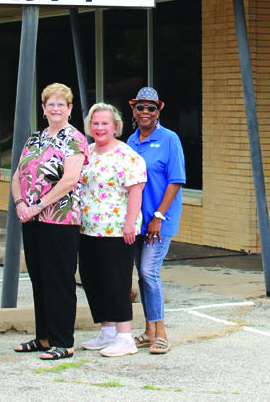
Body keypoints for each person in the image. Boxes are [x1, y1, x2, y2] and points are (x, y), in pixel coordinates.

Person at [9, 83, 88, 361]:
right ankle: (43, 337)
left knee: (58, 281)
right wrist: (20, 204)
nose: (55, 109)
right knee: (39, 278)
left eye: (61, 104)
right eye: (50, 104)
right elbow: (18, 175)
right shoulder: (34, 139)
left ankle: (63, 341)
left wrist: (38, 206)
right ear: (43, 109)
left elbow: (69, 180)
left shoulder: (75, 139)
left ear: (69, 108)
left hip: (59, 220)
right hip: (30, 219)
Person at [77, 102, 146, 357]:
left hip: (116, 230)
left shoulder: (127, 155)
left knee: (116, 281)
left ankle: (125, 336)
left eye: (105, 123)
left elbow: (135, 191)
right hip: (87, 228)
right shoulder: (87, 152)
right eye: (95, 123)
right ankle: (106, 331)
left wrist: (130, 222)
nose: (99, 127)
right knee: (92, 279)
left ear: (115, 126)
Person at [126, 87, 186, 355]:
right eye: (141, 107)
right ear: (134, 111)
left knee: (150, 273)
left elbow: (175, 181)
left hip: (159, 221)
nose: (145, 112)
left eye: (151, 108)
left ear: (159, 111)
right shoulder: (131, 141)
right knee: (142, 276)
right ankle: (149, 332)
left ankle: (161, 333)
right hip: (138, 221)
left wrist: (158, 217)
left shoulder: (170, 139)